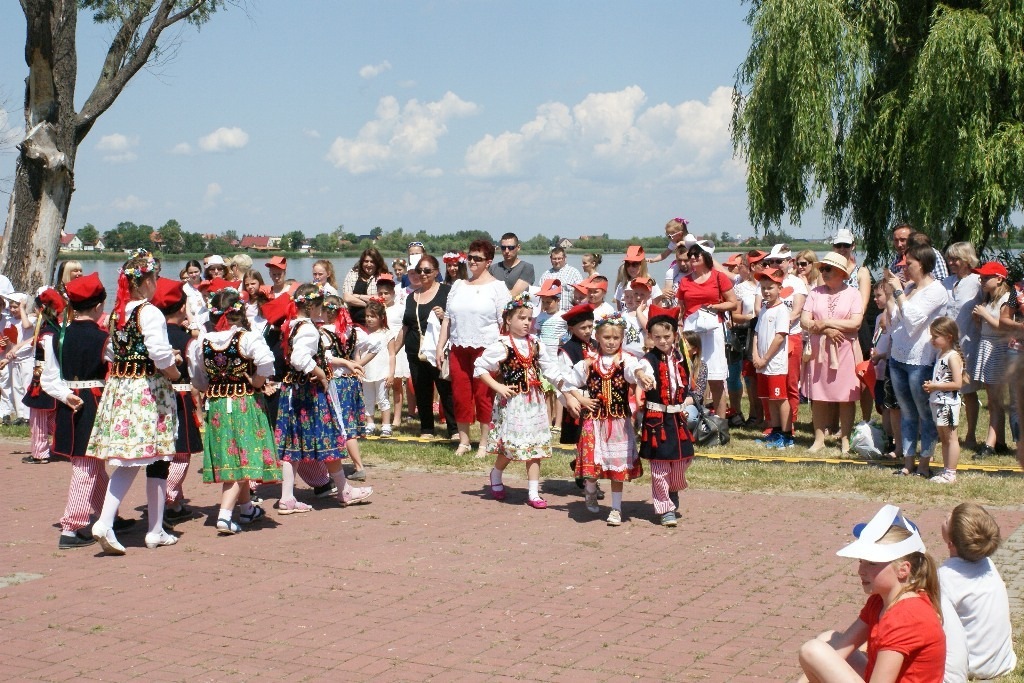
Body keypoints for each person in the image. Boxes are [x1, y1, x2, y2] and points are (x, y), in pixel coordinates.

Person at [88, 250, 182, 554]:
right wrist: (174, 369)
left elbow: (111, 353)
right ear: (146, 280)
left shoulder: (117, 313)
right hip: (147, 389)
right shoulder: (148, 311)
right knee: (136, 457)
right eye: (155, 278)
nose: (156, 283)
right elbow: (159, 352)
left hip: (123, 386)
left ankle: (156, 528)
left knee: (154, 458)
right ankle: (106, 521)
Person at [796, 504, 945, 683]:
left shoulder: (905, 616)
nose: (861, 570)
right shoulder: (880, 600)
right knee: (828, 639)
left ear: (903, 570)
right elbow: (840, 650)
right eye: (861, 561)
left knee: (813, 650)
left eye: (872, 563)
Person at [190, 287, 280, 534]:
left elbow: (197, 379)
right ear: (239, 313)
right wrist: (258, 382)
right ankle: (225, 515)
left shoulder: (203, 342)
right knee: (242, 457)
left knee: (233, 456)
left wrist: (216, 385)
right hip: (244, 402)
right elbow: (266, 362)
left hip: (218, 404)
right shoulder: (247, 338)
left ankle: (247, 509)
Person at [275, 284, 372, 512]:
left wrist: (343, 362)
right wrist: (321, 375)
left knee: (293, 444)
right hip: (310, 393)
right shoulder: (307, 327)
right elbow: (301, 358)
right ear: (312, 306)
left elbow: (313, 353)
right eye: (320, 306)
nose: (322, 311)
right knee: (329, 438)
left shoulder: (292, 324)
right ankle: (344, 489)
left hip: (293, 392)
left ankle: (288, 496)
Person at [40, 273, 111, 548]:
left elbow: (48, 378)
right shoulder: (104, 339)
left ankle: (106, 514)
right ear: (97, 307)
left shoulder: (57, 337)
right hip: (92, 402)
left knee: (93, 464)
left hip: (69, 402)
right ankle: (72, 526)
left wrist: (65, 395)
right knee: (86, 466)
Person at [563, 313, 653, 526]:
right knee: (593, 467)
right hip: (594, 421)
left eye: (615, 338)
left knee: (617, 468)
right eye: (606, 338)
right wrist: (580, 399)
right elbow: (568, 383)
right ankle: (590, 489)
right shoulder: (588, 364)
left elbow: (635, 370)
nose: (611, 342)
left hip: (618, 422)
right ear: (598, 337)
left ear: (622, 339)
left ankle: (616, 508)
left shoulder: (626, 360)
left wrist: (641, 376)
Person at [475, 294, 563, 508]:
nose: (526, 322)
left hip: (535, 402)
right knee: (511, 448)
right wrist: (499, 387)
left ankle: (533, 492)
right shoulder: (502, 345)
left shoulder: (535, 343)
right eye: (521, 318)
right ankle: (496, 474)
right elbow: (479, 367)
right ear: (508, 320)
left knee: (535, 448)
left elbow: (549, 368)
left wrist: (563, 383)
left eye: (529, 318)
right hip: (514, 403)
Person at [436, 239, 510, 456]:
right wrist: (441, 347)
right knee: (460, 394)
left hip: (486, 349)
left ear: (488, 261)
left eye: (478, 258)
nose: (473, 262)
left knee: (483, 395)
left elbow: (503, 324)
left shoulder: (498, 288)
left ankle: (485, 443)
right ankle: (464, 441)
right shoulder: (458, 285)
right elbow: (448, 320)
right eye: (470, 257)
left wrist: (502, 352)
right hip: (458, 347)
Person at [883, 244, 948, 477]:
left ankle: (924, 463)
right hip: (898, 357)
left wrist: (899, 292)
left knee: (924, 414)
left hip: (920, 359)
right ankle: (908, 463)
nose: (905, 268)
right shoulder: (909, 287)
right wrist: (892, 294)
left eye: (909, 263)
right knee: (907, 413)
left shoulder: (936, 290)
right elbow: (894, 319)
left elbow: (912, 321)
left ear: (922, 263)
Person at [938, 503, 1016, 680]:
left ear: (951, 544)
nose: (947, 513)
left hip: (972, 665)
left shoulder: (945, 578)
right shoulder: (988, 564)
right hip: (1003, 662)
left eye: (947, 519)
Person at [637, 305, 695, 527]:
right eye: (657, 337)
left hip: (677, 418)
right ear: (650, 337)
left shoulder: (681, 357)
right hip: (657, 420)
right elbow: (639, 369)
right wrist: (642, 375)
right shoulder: (648, 359)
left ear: (674, 335)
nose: (662, 341)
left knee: (683, 461)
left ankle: (673, 488)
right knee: (660, 467)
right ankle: (664, 508)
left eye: (667, 336)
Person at [801, 253, 865, 454]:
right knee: (818, 395)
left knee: (846, 396)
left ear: (841, 273)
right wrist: (825, 330)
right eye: (822, 269)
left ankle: (845, 438)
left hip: (845, 350)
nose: (823, 273)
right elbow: (805, 321)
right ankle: (819, 439)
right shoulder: (815, 293)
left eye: (828, 269)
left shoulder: (853, 293)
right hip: (819, 350)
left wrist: (827, 323)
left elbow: (856, 322)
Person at [153, 278, 203, 525]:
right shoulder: (188, 340)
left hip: (156, 397)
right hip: (180, 396)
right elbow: (196, 373)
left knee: (164, 453)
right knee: (181, 453)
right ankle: (166, 498)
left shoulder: (153, 335)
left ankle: (174, 503)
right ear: (182, 307)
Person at [393, 255, 457, 439]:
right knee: (421, 390)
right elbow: (406, 326)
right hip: (415, 352)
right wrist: (393, 352)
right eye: (419, 270)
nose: (423, 274)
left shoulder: (447, 292)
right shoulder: (412, 297)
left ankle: (453, 429)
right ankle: (427, 427)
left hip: (439, 350)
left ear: (436, 272)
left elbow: (457, 320)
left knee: (446, 390)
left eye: (427, 271)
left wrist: (444, 315)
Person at [676, 240, 738, 418]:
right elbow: (680, 309)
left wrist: (715, 307)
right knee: (691, 378)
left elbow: (733, 303)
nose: (692, 258)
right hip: (691, 330)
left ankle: (719, 422)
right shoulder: (685, 281)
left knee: (716, 378)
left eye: (696, 254)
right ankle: (693, 417)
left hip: (712, 330)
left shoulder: (719, 277)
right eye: (690, 255)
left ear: (707, 256)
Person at [756, 244, 807, 435]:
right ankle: (772, 423)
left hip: (790, 335)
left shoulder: (797, 283)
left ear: (789, 262)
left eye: (779, 261)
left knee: (789, 383)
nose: (775, 264)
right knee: (769, 382)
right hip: (767, 335)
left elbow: (796, 311)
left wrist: (781, 325)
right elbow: (757, 309)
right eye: (771, 261)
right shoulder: (765, 282)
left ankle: (789, 423)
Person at [319, 295, 369, 479]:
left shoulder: (323, 333)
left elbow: (326, 358)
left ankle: (357, 466)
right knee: (348, 423)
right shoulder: (352, 330)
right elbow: (375, 345)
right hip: (352, 382)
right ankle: (346, 466)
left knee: (342, 424)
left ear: (325, 311)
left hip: (336, 382)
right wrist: (357, 364)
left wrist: (347, 363)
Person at [941, 242, 983, 450]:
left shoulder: (977, 282)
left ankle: (971, 434)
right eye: (949, 258)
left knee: (968, 389)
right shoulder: (946, 282)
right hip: (947, 345)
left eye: (955, 259)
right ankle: (949, 432)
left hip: (970, 342)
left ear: (967, 260)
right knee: (947, 389)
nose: (951, 262)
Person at [970, 261, 1013, 458]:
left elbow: (1004, 327)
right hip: (988, 347)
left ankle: (989, 444)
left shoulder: (1006, 299)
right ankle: (1000, 441)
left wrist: (985, 315)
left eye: (986, 277)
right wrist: (979, 321)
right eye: (981, 277)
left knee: (995, 401)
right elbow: (987, 328)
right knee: (994, 399)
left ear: (999, 278)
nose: (982, 281)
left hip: (999, 349)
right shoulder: (990, 299)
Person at [752, 268, 792, 449]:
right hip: (762, 363)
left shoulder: (782, 310)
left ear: (779, 288)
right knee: (769, 398)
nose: (766, 291)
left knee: (780, 398)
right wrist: (755, 355)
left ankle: (786, 434)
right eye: (763, 288)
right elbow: (756, 334)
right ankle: (775, 430)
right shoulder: (764, 310)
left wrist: (766, 358)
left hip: (774, 363)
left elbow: (780, 337)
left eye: (770, 288)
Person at [922, 317, 965, 484]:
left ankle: (951, 472)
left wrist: (935, 386)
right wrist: (932, 386)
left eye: (935, 336)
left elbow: (957, 383)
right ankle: (946, 469)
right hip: (939, 401)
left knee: (951, 438)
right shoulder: (942, 354)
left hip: (948, 402)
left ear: (948, 337)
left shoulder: (953, 357)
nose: (932, 340)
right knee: (944, 437)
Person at [557, 303, 596, 451]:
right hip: (577, 397)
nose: (587, 331)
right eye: (583, 328)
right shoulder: (566, 350)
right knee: (580, 439)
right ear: (571, 328)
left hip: (596, 396)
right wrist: (574, 399)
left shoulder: (597, 345)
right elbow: (564, 378)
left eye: (590, 326)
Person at [378, 274, 411, 428]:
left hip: (397, 350)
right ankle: (385, 414)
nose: (383, 296)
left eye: (386, 293)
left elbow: (403, 330)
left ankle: (397, 417)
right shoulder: (376, 310)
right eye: (380, 293)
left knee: (397, 385)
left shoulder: (400, 309)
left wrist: (397, 348)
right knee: (382, 384)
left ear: (393, 293)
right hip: (380, 350)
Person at [356, 300, 392, 438]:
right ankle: (370, 424)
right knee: (368, 399)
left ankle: (386, 425)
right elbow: (358, 352)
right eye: (367, 316)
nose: (369, 319)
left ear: (381, 317)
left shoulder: (387, 334)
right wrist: (358, 369)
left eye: (372, 316)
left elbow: (392, 354)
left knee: (383, 399)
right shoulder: (362, 334)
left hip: (382, 371)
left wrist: (391, 373)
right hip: (367, 372)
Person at [342, 247, 387, 326]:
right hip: (352, 321)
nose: (369, 264)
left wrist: (358, 296)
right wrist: (367, 305)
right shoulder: (353, 273)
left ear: (377, 263)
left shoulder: (384, 275)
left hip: (374, 323)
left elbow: (381, 299)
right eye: (366, 261)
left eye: (372, 262)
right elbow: (347, 298)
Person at [539, 247, 583, 311]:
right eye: (554, 259)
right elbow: (540, 297)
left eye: (559, 258)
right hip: (549, 315)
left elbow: (581, 294)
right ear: (550, 259)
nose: (557, 261)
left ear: (565, 258)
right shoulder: (545, 275)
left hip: (569, 314)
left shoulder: (574, 272)